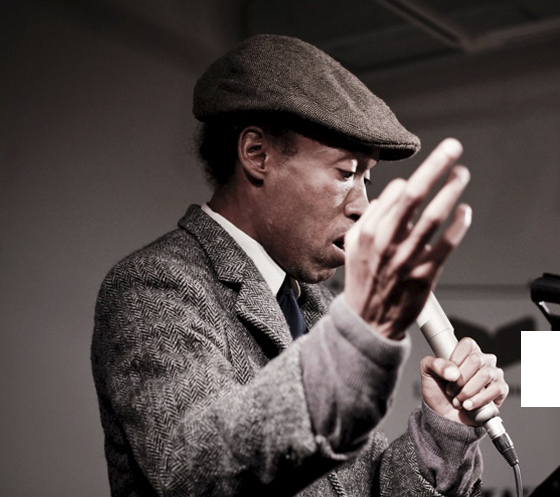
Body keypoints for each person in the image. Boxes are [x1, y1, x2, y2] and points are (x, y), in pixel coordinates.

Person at [91, 34, 509, 497]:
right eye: (346, 173)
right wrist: (356, 342)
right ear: (257, 154)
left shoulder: (318, 305)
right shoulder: (156, 287)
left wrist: (441, 433)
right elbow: (195, 470)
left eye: (367, 179)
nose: (362, 205)